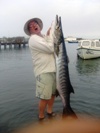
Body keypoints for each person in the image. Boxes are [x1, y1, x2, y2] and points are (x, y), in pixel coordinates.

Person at [24, 18, 56, 121]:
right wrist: (51, 35)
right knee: (44, 97)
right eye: (31, 26)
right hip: (43, 72)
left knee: (52, 94)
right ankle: (41, 117)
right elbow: (51, 48)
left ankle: (50, 112)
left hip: (53, 70)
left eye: (35, 24)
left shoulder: (42, 38)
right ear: (30, 31)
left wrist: (48, 35)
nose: (33, 26)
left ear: (39, 25)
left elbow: (50, 44)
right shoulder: (33, 39)